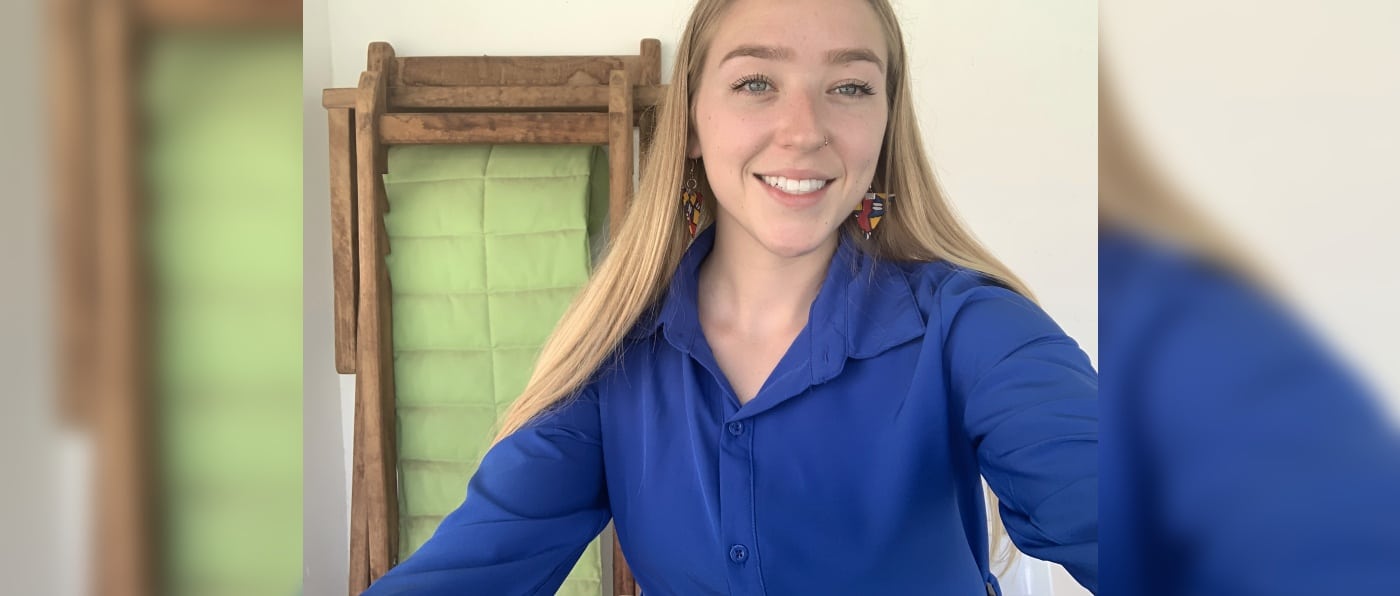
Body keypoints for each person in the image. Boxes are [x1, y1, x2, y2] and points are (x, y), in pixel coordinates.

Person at [363, 0, 1098, 594]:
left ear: (885, 121)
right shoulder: (613, 362)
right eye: (756, 83)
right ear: (689, 120)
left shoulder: (975, 329)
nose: (804, 131)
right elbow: (470, 568)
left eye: (849, 87)